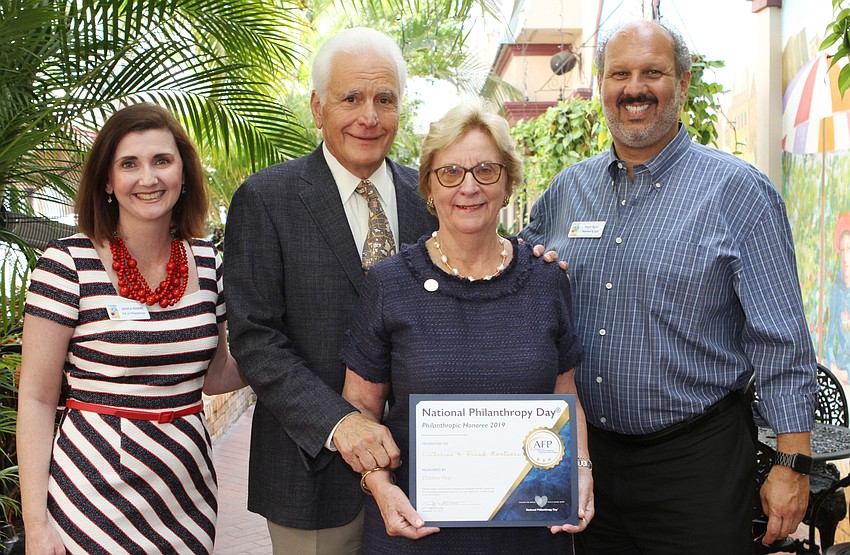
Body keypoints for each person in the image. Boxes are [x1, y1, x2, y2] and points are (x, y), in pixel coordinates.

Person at [520, 20, 817, 555]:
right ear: (602, 87)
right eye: (620, 74)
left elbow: (782, 339)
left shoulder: (739, 192)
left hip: (696, 465)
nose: (635, 88)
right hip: (589, 463)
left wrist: (791, 463)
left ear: (682, 84)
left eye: (652, 72)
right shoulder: (568, 190)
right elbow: (517, 282)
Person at [339, 99, 593, 554]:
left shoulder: (547, 281)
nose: (468, 187)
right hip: (417, 528)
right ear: (429, 188)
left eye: (486, 171)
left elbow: (566, 395)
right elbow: (360, 407)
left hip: (531, 529)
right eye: (450, 172)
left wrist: (581, 469)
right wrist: (379, 486)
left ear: (509, 182)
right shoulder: (390, 284)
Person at [222, 27, 438, 555]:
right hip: (311, 472)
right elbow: (255, 338)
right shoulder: (265, 200)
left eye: (384, 99)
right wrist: (340, 424)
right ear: (318, 108)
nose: (369, 116)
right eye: (351, 98)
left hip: (429, 470)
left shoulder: (433, 196)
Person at [18, 103, 247, 554]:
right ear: (107, 180)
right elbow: (37, 398)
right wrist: (35, 524)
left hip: (185, 488)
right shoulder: (66, 265)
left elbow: (215, 373)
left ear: (183, 172)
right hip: (91, 495)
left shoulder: (207, 262)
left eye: (162, 160)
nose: (149, 178)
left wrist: (286, 345)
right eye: (129, 164)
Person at [826, 212, 850, 381]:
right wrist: (832, 364)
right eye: (842, 250)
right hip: (838, 373)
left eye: (849, 249)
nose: (845, 257)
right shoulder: (837, 290)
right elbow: (829, 338)